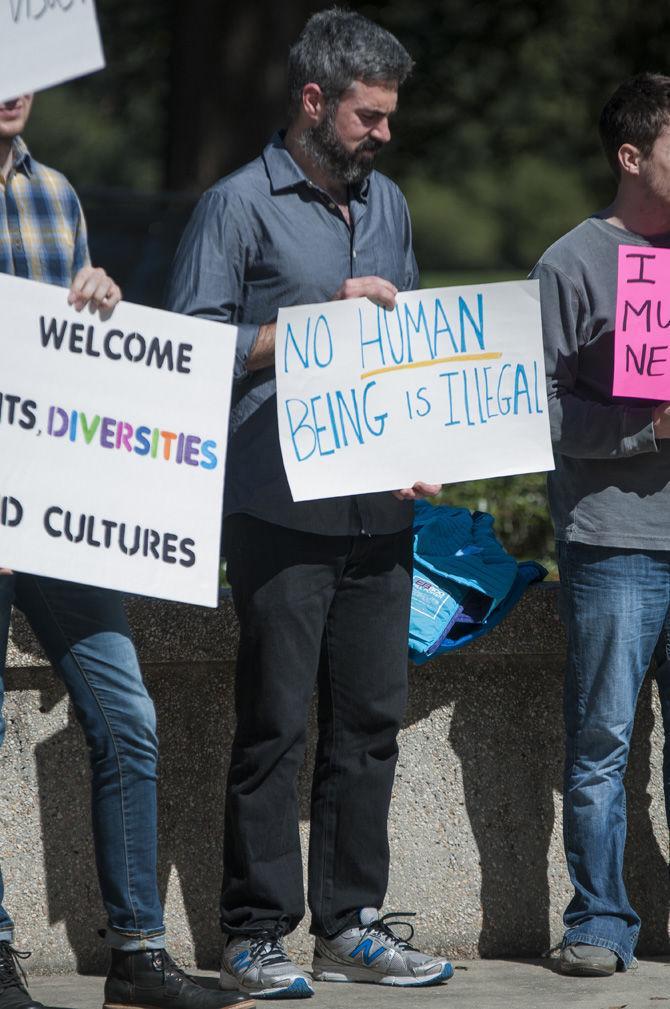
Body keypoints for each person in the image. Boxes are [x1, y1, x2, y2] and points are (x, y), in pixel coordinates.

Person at [167, 7, 453, 1001]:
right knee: (276, 725)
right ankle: (253, 934)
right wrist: (299, 331)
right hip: (278, 511)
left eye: (388, 117)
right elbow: (189, 355)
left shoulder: (393, 207)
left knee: (371, 724)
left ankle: (351, 924)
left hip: (379, 514)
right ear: (313, 100)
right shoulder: (235, 206)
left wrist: (427, 441)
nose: (384, 134)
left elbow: (406, 351)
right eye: (368, 117)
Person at [0, 94, 253, 1009]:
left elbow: (72, 351)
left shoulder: (55, 193)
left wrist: (97, 297)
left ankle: (137, 956)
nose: (14, 86)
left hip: (55, 507)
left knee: (129, 714)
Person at [531, 72, 670, 977]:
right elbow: (533, 412)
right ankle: (600, 921)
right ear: (632, 156)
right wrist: (645, 425)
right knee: (603, 743)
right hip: (616, 540)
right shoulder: (570, 263)